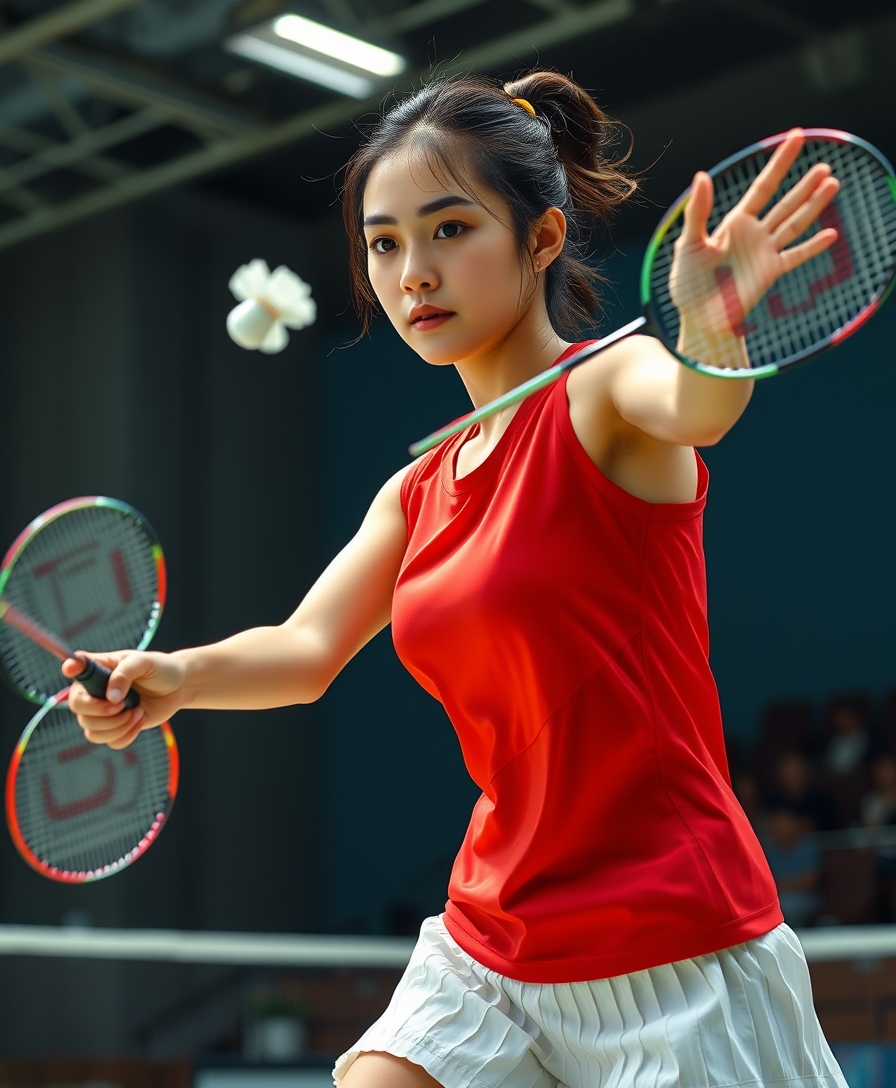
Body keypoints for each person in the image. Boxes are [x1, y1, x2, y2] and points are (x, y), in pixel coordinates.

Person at [66, 73, 847, 1088]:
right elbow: (304, 650)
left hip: (668, 936)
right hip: (497, 932)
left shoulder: (603, 388)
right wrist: (172, 672)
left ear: (541, 238)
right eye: (383, 243)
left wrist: (711, 332)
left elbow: (695, 408)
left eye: (447, 229)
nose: (411, 273)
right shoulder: (417, 487)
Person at [763, 807, 822, 928]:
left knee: (788, 906)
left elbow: (809, 883)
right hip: (779, 897)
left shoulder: (807, 849)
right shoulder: (770, 852)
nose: (782, 829)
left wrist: (782, 885)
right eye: (778, 826)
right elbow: (766, 884)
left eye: (786, 825)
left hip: (806, 897)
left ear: (795, 825)